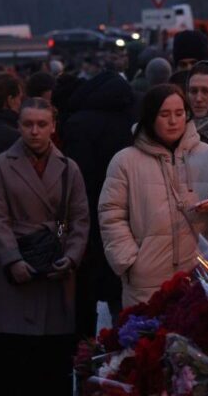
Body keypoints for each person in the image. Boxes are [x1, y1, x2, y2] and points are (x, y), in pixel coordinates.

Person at [0, 97, 89, 396]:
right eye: (28, 124)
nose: (35, 131)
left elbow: (79, 220)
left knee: (52, 361)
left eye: (42, 124)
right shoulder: (1, 166)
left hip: (55, 268)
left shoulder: (69, 168)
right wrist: (12, 260)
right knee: (17, 360)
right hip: (16, 272)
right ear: (18, 126)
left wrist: (71, 256)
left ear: (53, 126)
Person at [99, 84, 208, 307]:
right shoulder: (125, 161)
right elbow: (111, 214)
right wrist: (129, 261)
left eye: (179, 114)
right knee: (148, 338)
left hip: (201, 273)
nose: (173, 121)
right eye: (164, 114)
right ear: (150, 117)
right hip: (147, 278)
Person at [61, 70, 135, 336]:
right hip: (128, 219)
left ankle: (85, 361)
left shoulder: (78, 123)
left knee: (85, 301)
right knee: (123, 300)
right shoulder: (131, 118)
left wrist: (65, 228)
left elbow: (73, 182)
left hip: (87, 220)